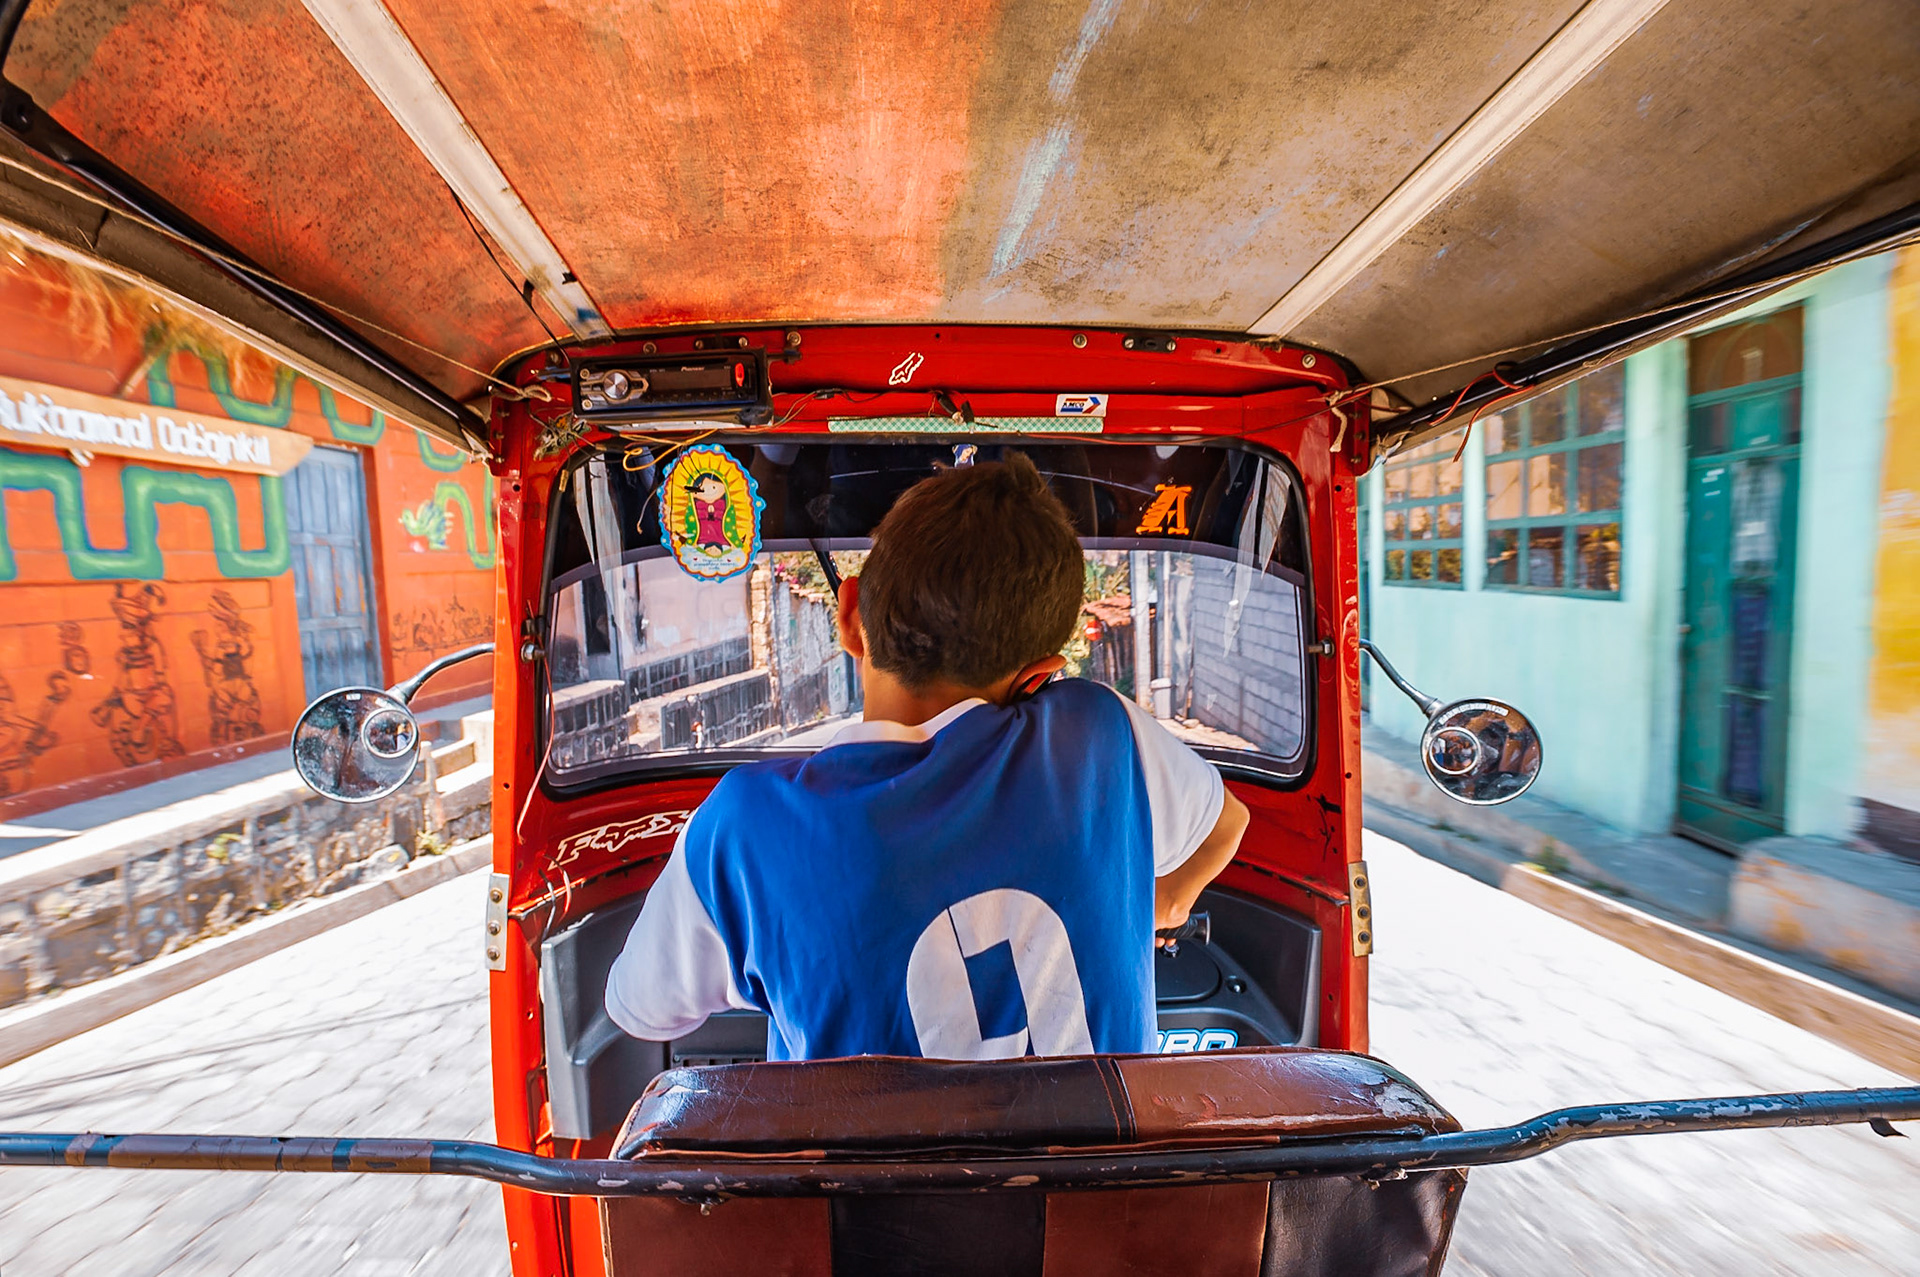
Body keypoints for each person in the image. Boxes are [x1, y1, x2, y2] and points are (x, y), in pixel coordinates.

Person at [605, 453, 1249, 1060]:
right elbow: (1227, 823)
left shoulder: (742, 827)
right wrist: (1164, 902)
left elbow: (639, 1009)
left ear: (851, 615)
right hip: (1104, 1181)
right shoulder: (1103, 734)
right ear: (1043, 675)